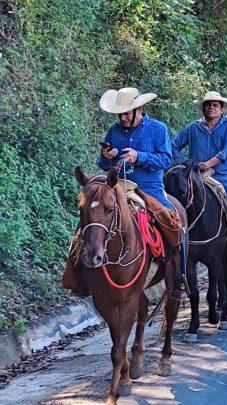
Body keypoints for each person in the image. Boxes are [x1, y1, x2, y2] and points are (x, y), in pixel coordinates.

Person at [62, 87, 188, 299]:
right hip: (116, 186)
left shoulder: (158, 129)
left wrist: (139, 156)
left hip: (149, 187)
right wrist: (106, 155)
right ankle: (78, 280)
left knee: (173, 225)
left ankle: (178, 278)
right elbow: (103, 164)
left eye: (126, 113)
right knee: (85, 224)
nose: (122, 117)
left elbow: (166, 160)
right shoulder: (114, 130)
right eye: (120, 114)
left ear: (139, 109)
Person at [172, 91, 227, 219]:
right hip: (195, 176)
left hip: (222, 176)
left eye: (215, 105)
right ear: (203, 108)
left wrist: (208, 164)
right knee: (172, 203)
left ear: (221, 109)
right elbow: (174, 146)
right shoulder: (193, 127)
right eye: (208, 105)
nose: (211, 107)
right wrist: (181, 165)